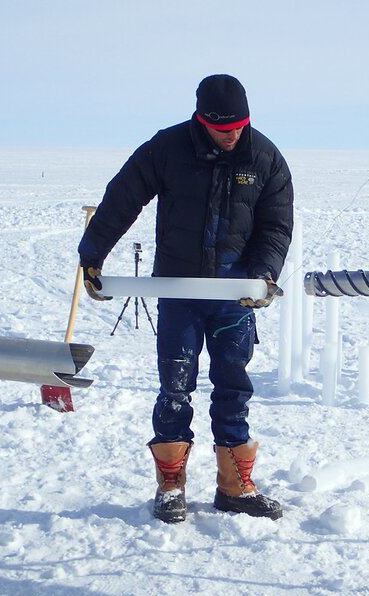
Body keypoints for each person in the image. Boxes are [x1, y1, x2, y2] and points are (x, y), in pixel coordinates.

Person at [78, 74, 293, 523]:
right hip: (177, 289)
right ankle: (171, 487)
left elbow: (275, 225)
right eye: (222, 128)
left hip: (234, 295)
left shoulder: (265, 157)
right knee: (175, 385)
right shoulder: (168, 148)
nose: (232, 134)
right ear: (201, 119)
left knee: (233, 386)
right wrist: (93, 252)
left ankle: (235, 487)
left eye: (240, 126)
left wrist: (262, 275)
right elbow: (123, 198)